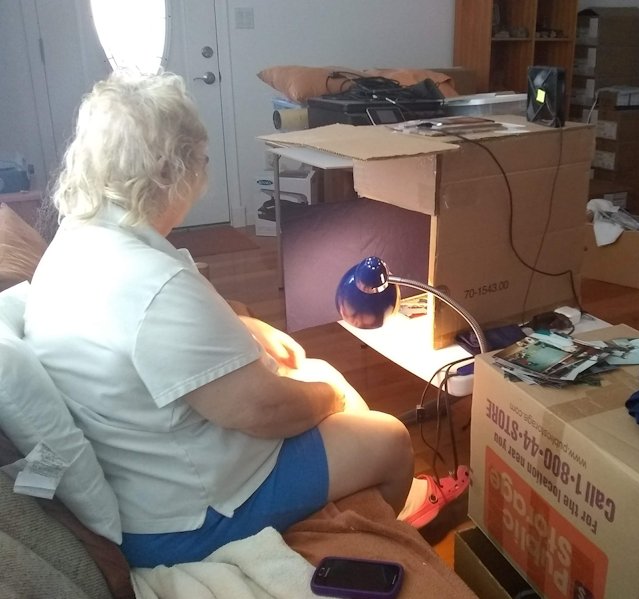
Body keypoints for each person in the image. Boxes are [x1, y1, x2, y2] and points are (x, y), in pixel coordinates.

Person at [23, 71, 459, 568]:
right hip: (189, 517)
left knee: (311, 377)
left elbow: (157, 333)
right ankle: (395, 529)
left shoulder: (77, 243)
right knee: (387, 437)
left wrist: (246, 326)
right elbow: (263, 411)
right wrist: (329, 395)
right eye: (202, 160)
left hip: (146, 484)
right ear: (176, 169)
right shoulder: (151, 288)